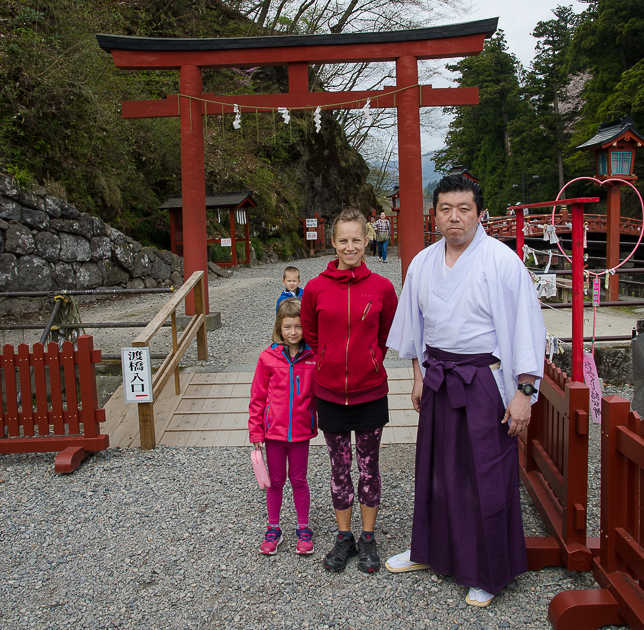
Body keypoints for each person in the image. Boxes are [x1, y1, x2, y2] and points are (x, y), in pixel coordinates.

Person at [386, 175, 546, 606]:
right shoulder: (422, 262)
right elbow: (416, 330)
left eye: (464, 209)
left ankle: (489, 571)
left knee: (486, 476)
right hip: (438, 376)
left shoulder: (502, 261)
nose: (454, 218)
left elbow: (528, 329)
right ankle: (429, 551)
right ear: (434, 213)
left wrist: (523, 394)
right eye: (445, 209)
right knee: (436, 468)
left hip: (484, 381)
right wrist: (418, 377)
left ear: (479, 213)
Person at [300, 208, 398, 573]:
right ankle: (344, 537)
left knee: (369, 466)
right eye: (343, 240)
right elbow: (311, 334)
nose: (350, 246)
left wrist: (371, 358)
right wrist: (326, 359)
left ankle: (368, 537)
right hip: (329, 392)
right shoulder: (315, 288)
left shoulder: (382, 288)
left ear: (367, 240)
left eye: (357, 239)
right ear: (333, 242)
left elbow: (387, 333)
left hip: (370, 390)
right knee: (339, 468)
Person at [248, 298, 318, 556]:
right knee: (275, 482)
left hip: (300, 432)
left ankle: (303, 527)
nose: (293, 332)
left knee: (299, 479)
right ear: (279, 327)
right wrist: (256, 431)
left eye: (298, 326)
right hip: (273, 433)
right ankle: (273, 527)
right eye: (287, 327)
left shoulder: (313, 357)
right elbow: (257, 398)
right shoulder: (267, 358)